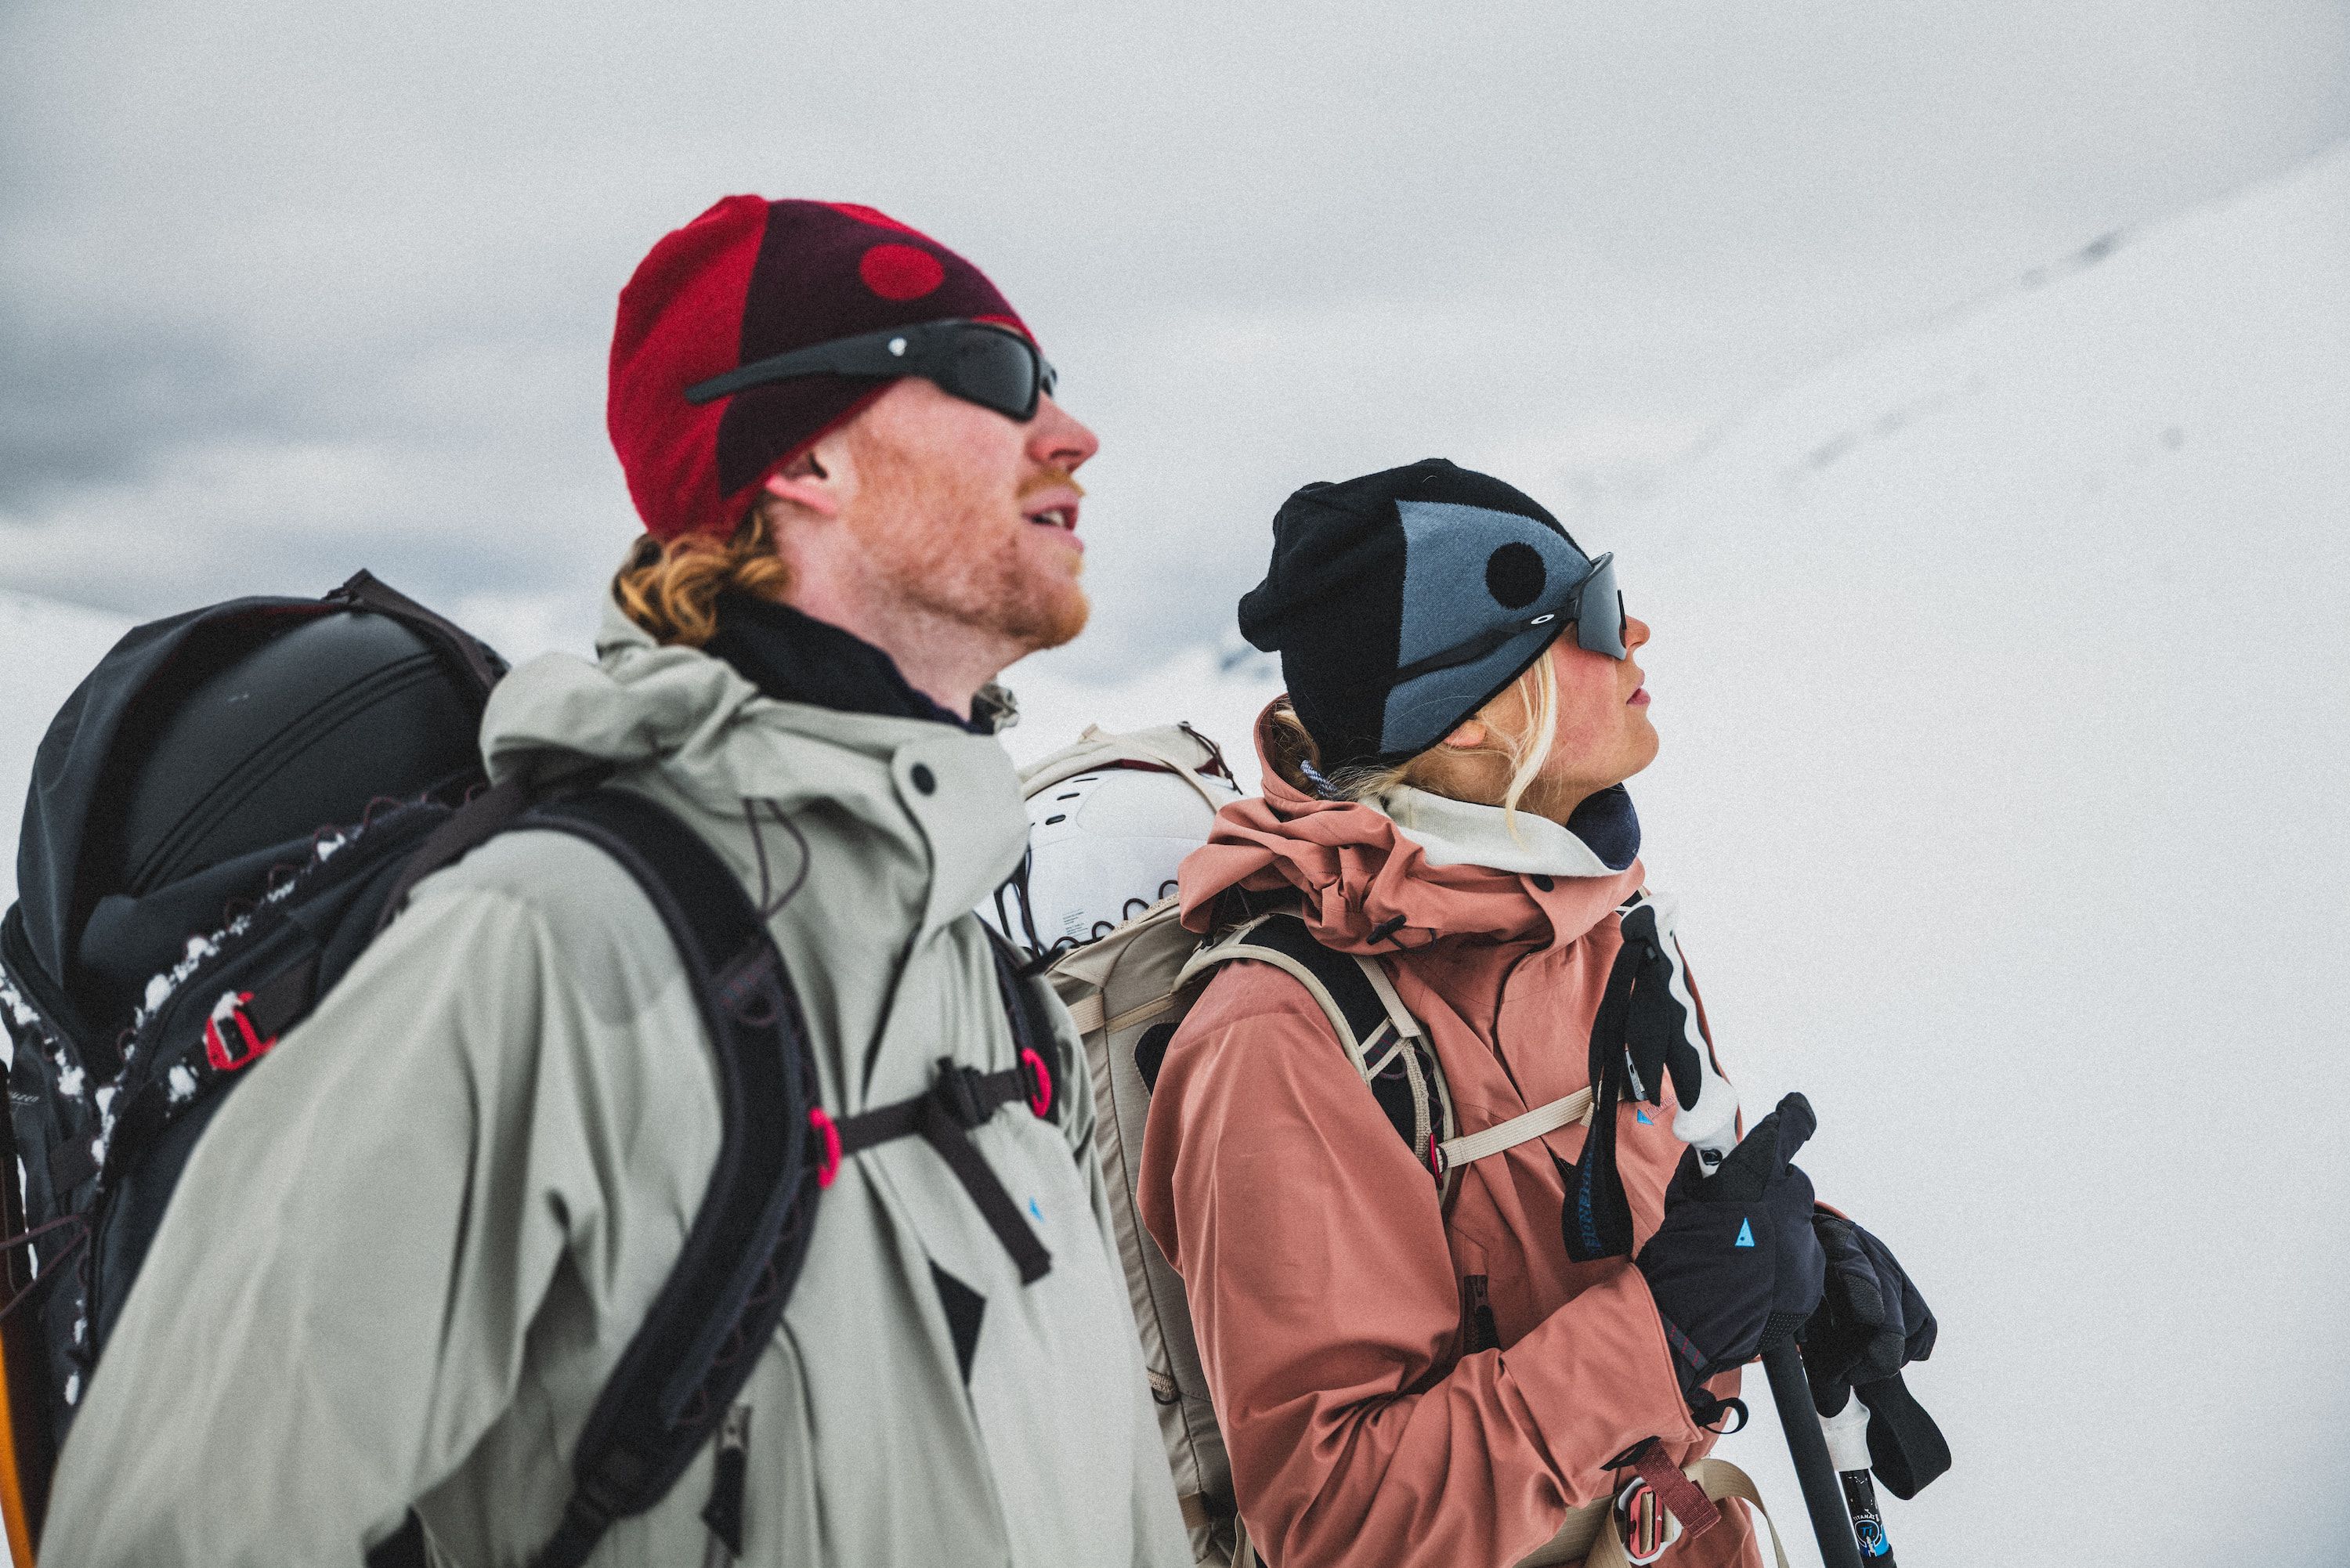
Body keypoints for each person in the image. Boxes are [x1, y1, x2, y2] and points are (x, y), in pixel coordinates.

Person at [44, 197, 1190, 1566]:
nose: (1072, 435)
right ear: (809, 454)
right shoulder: (547, 952)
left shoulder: (990, 987)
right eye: (997, 379)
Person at [1137, 459, 1936, 1568]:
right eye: (1597, 612)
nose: (1637, 631)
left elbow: (1644, 1234)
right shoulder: (1277, 1038)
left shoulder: (1600, 922)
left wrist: (1789, 1255)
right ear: (1467, 717)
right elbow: (1337, 1523)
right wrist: (1665, 1332)